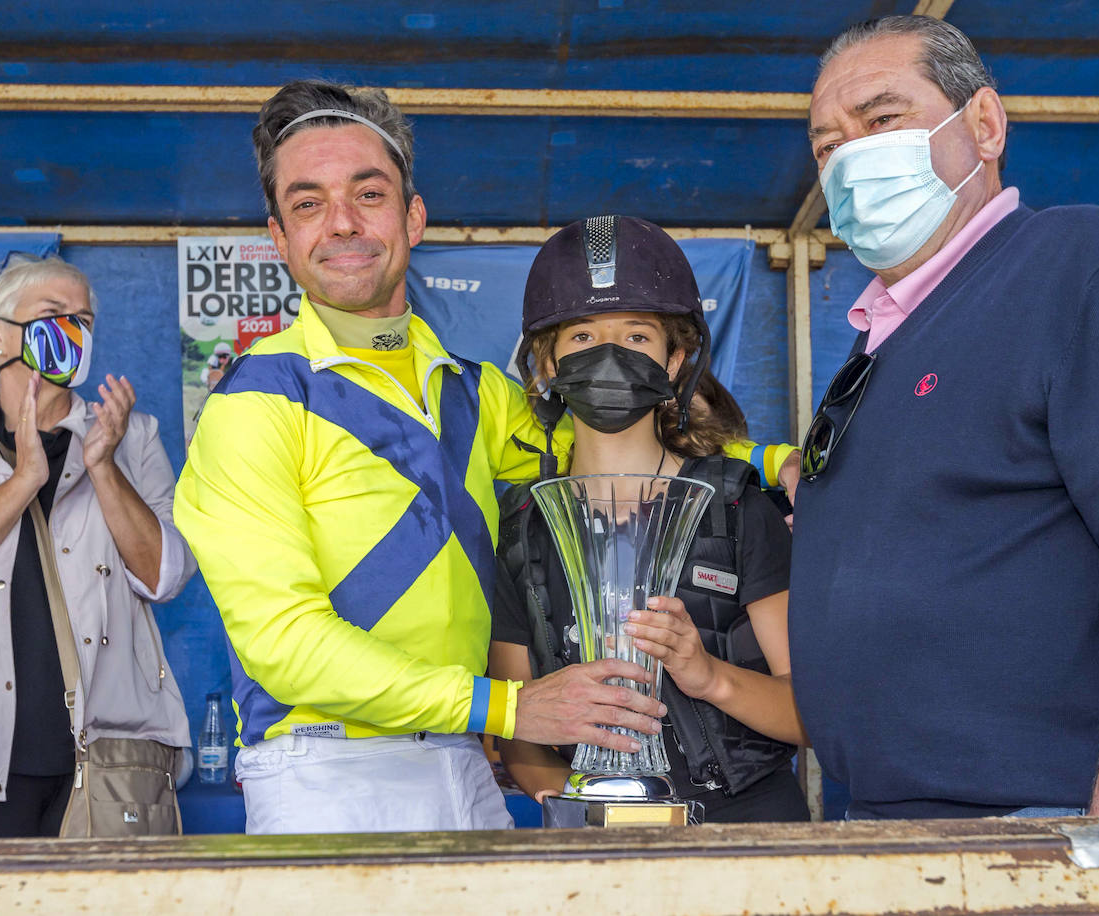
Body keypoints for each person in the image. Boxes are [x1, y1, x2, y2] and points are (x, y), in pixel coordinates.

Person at [173, 81, 798, 834]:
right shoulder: (252, 402)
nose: (341, 222)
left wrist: (763, 458)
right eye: (308, 203)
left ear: (413, 216)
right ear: (278, 237)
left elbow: (617, 436)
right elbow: (285, 644)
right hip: (331, 770)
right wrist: (508, 706)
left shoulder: (481, 396)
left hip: (464, 763)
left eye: (368, 194)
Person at [791, 15, 1099, 820]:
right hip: (893, 820)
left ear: (984, 124)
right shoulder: (875, 346)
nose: (852, 159)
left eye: (881, 119)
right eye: (828, 146)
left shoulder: (1071, 261)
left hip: (1051, 823)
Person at [490, 216, 809, 823]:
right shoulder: (524, 526)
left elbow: (810, 716)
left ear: (677, 357)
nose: (608, 356)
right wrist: (592, 807)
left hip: (749, 835)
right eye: (582, 337)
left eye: (637, 337)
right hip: (596, 847)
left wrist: (708, 674)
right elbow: (519, 730)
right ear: (546, 362)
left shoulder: (738, 507)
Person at [0, 254, 192, 837]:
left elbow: (165, 577)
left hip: (102, 763)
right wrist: (22, 483)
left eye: (84, 320)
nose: (73, 332)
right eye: (53, 315)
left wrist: (104, 467)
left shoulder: (132, 437)